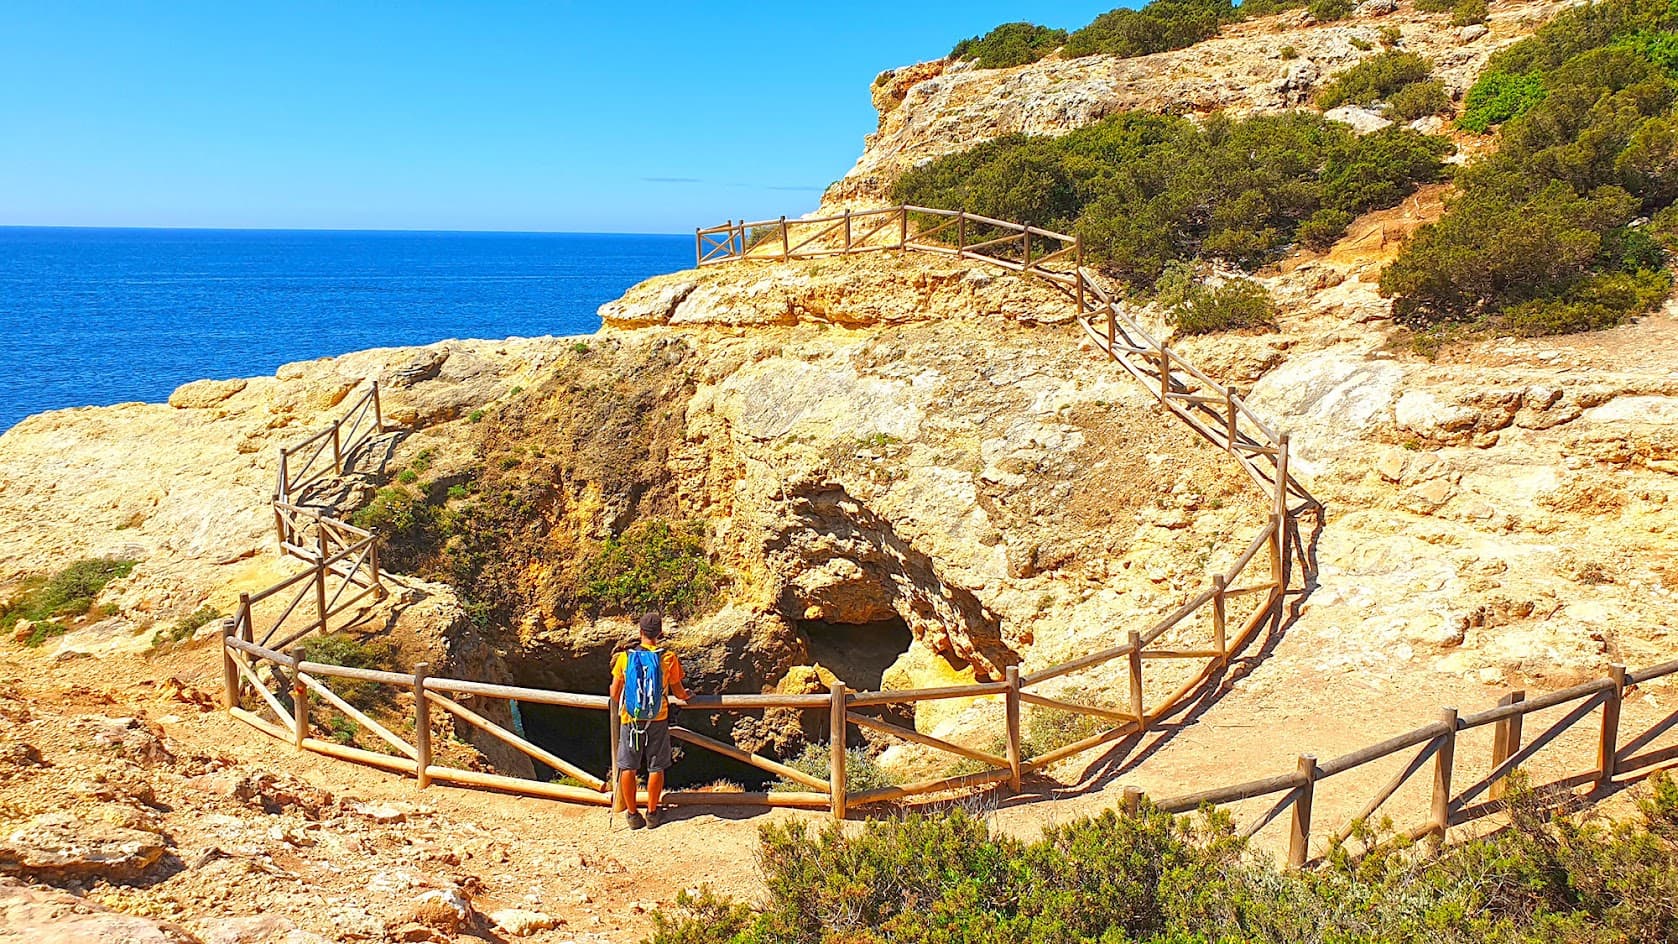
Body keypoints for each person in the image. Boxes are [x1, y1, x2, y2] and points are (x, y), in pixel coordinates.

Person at [609, 612, 688, 829]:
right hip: (658, 717)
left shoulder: (625, 657)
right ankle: (653, 814)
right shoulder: (668, 658)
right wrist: (686, 696)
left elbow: (614, 692)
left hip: (631, 719)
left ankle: (633, 816)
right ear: (660, 633)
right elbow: (678, 691)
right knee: (656, 766)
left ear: (640, 631)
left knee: (628, 766)